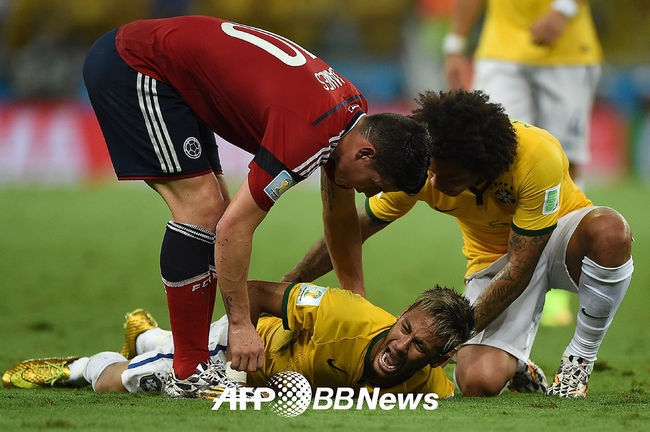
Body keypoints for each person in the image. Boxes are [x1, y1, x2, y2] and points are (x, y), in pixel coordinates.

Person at [82, 16, 432, 396]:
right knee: (204, 211)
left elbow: (340, 216)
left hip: (173, 76)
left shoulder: (350, 115)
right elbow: (234, 229)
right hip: (135, 64)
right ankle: (190, 371)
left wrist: (356, 302)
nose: (367, 194)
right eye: (375, 185)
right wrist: (240, 326)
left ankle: (188, 360)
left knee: (213, 211)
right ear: (366, 154)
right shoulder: (307, 136)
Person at [283, 90, 634, 398]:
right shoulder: (424, 170)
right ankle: (517, 366)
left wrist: (455, 334)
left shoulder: (536, 155)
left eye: (448, 176)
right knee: (477, 382)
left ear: (483, 167)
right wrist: (292, 280)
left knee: (610, 232)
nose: (434, 182)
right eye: (433, 171)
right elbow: (353, 230)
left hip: (559, 239)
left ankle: (580, 358)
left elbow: (521, 268)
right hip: (494, 261)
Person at [3, 281, 474, 399]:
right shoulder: (343, 312)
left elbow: (463, 391)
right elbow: (254, 292)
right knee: (122, 384)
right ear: (400, 316)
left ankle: (147, 336)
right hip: (239, 354)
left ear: (439, 359)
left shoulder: (433, 388)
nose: (401, 346)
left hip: (260, 390)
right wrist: (239, 344)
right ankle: (79, 367)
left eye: (419, 347)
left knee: (161, 352)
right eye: (405, 329)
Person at [442, 0, 603, 327]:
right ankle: (499, 277)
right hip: (500, 51)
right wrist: (456, 44)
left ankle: (557, 280)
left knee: (566, 163)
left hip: (568, 51)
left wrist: (562, 11)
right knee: (492, 156)